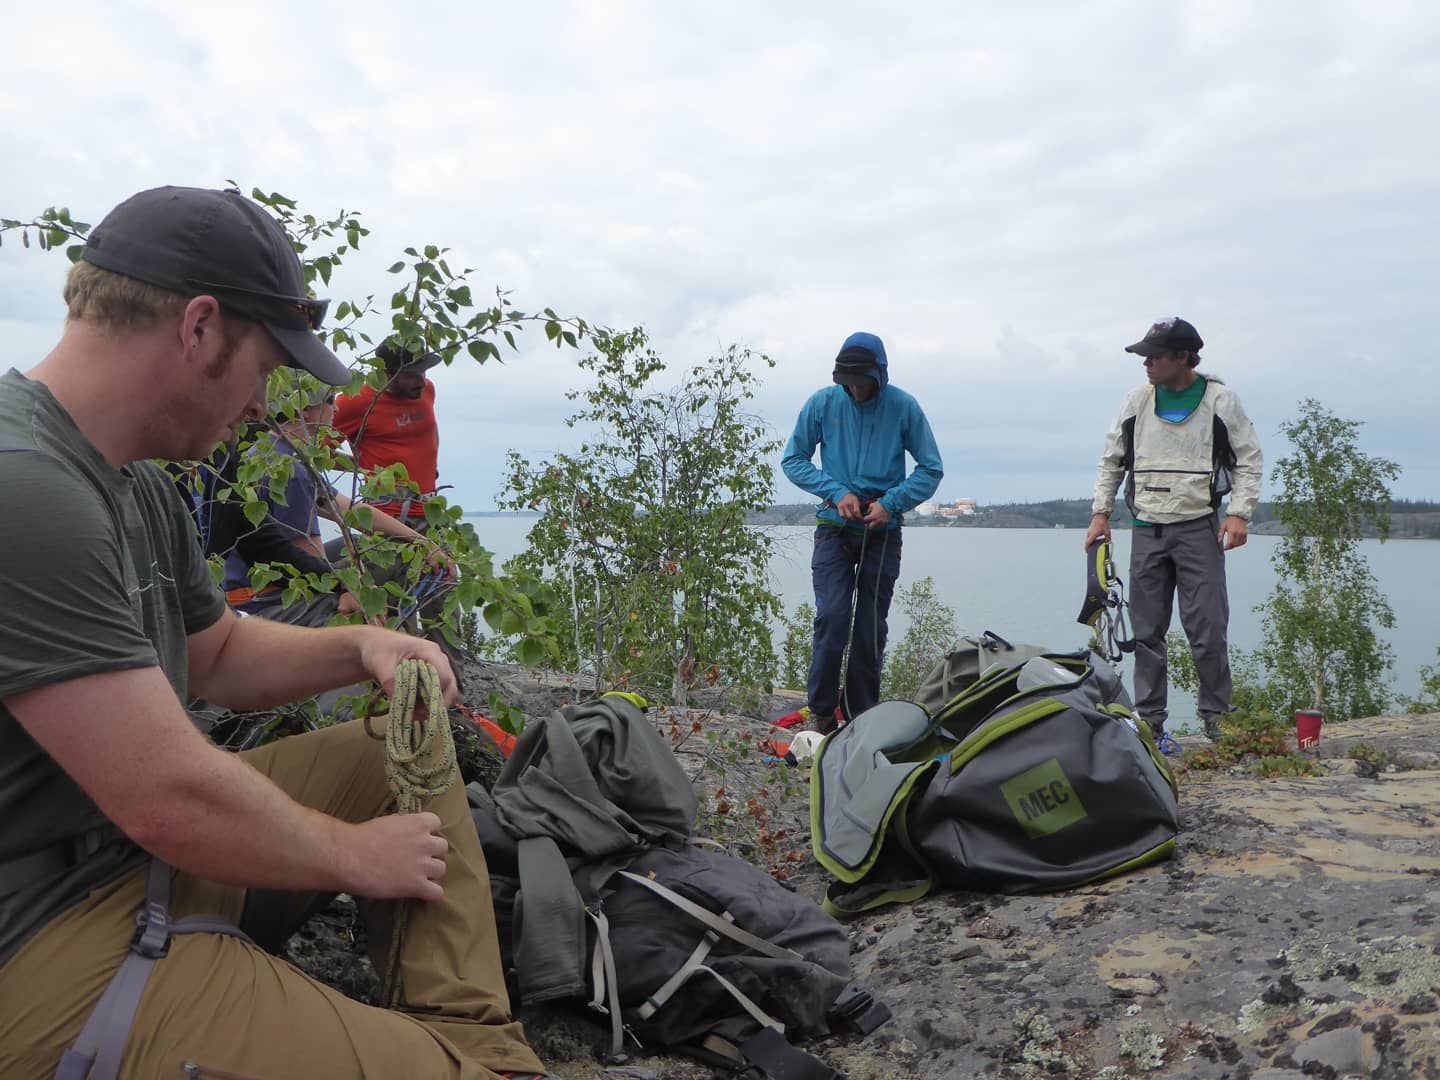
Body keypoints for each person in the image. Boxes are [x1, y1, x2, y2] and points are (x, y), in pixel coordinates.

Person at [0, 186, 546, 1079]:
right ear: (200, 329)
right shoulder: (26, 487)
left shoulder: (135, 480)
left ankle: (473, 1046)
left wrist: (360, 646)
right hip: (38, 932)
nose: (261, 406)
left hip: (129, 856)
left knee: (394, 751)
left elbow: (215, 653)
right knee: (369, 836)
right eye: (264, 368)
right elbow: (168, 798)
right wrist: (354, 856)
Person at [1085, 316, 1263, 752]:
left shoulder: (1221, 400)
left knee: (1207, 628)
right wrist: (1100, 515)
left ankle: (1217, 719)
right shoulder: (1136, 401)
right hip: (1147, 527)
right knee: (1146, 632)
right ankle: (1152, 726)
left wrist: (1239, 514)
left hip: (1199, 527)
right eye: (1144, 356)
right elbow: (1112, 460)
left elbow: (1249, 458)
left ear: (1183, 357)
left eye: (1154, 356)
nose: (1146, 363)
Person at [782, 331, 944, 733]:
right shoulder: (822, 403)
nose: (855, 389)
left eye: (862, 381)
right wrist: (836, 492)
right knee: (833, 616)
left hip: (882, 531)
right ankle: (820, 714)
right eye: (848, 382)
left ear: (879, 375)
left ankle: (860, 717)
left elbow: (931, 468)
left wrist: (891, 503)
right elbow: (793, 460)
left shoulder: (904, 407)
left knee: (870, 626)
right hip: (834, 527)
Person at [222, 384, 454, 627]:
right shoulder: (293, 473)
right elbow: (309, 558)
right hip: (262, 599)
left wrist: (421, 541)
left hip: (252, 583)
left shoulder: (273, 451)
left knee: (376, 545)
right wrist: (355, 591)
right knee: (366, 599)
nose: (336, 407)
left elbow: (352, 510)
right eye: (330, 400)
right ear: (305, 411)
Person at [333, 342, 443, 531]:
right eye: (411, 375)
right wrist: (364, 468)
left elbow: (429, 428)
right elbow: (315, 453)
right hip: (388, 514)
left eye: (423, 372)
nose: (422, 382)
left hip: (431, 510)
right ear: (387, 374)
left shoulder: (426, 390)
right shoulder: (355, 401)